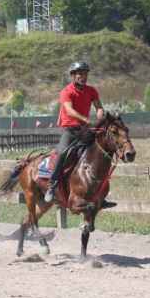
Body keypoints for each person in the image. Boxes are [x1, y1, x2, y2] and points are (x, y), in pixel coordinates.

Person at [43, 61, 116, 209]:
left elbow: (99, 106)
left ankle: (101, 194)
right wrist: (86, 120)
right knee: (63, 153)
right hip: (70, 130)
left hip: (85, 129)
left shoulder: (91, 91)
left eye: (85, 74)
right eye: (79, 74)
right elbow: (69, 111)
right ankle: (52, 184)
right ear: (73, 76)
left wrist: (101, 114)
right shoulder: (66, 92)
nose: (83, 76)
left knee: (99, 153)